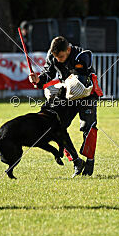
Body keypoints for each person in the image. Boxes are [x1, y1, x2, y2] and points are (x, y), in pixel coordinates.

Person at [29, 36, 103, 176]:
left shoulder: (81, 56)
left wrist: (64, 86)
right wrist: (38, 80)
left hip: (86, 93)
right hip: (67, 94)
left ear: (68, 50)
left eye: (61, 56)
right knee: (55, 127)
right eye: (55, 57)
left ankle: (90, 161)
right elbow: (48, 74)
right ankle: (76, 161)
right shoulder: (53, 56)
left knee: (89, 127)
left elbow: (81, 78)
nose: (58, 60)